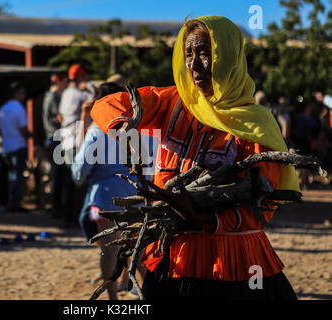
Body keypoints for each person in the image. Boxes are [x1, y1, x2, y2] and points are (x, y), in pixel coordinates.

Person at [90, 15, 299, 300]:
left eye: (205, 53)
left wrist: (200, 217)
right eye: (188, 54)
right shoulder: (173, 102)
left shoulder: (255, 124)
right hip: (174, 257)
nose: (194, 64)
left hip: (234, 261)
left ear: (228, 56)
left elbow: (261, 206)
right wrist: (123, 124)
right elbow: (107, 103)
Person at [71, 81, 140, 300]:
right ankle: (135, 289)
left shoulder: (97, 131)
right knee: (137, 247)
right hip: (138, 195)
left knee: (109, 249)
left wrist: (79, 178)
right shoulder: (140, 127)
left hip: (103, 197)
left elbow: (80, 168)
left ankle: (112, 298)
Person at [56, 64, 93, 226]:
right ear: (81, 78)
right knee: (77, 181)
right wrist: (89, 88)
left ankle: (67, 216)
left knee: (68, 181)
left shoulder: (65, 93)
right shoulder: (80, 95)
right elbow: (94, 99)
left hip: (65, 140)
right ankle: (73, 218)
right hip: (75, 141)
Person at [0, 81, 31, 212]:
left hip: (6, 147)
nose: (23, 96)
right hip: (18, 146)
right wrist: (30, 135)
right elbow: (23, 129)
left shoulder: (3, 109)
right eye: (22, 93)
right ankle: (15, 203)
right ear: (16, 93)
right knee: (16, 177)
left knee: (7, 176)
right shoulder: (19, 109)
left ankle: (5, 202)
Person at [42, 72, 68, 217]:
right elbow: (59, 117)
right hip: (55, 139)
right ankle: (57, 208)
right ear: (59, 82)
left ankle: (57, 207)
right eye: (65, 82)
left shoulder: (52, 96)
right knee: (59, 175)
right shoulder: (52, 97)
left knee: (58, 175)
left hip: (54, 138)